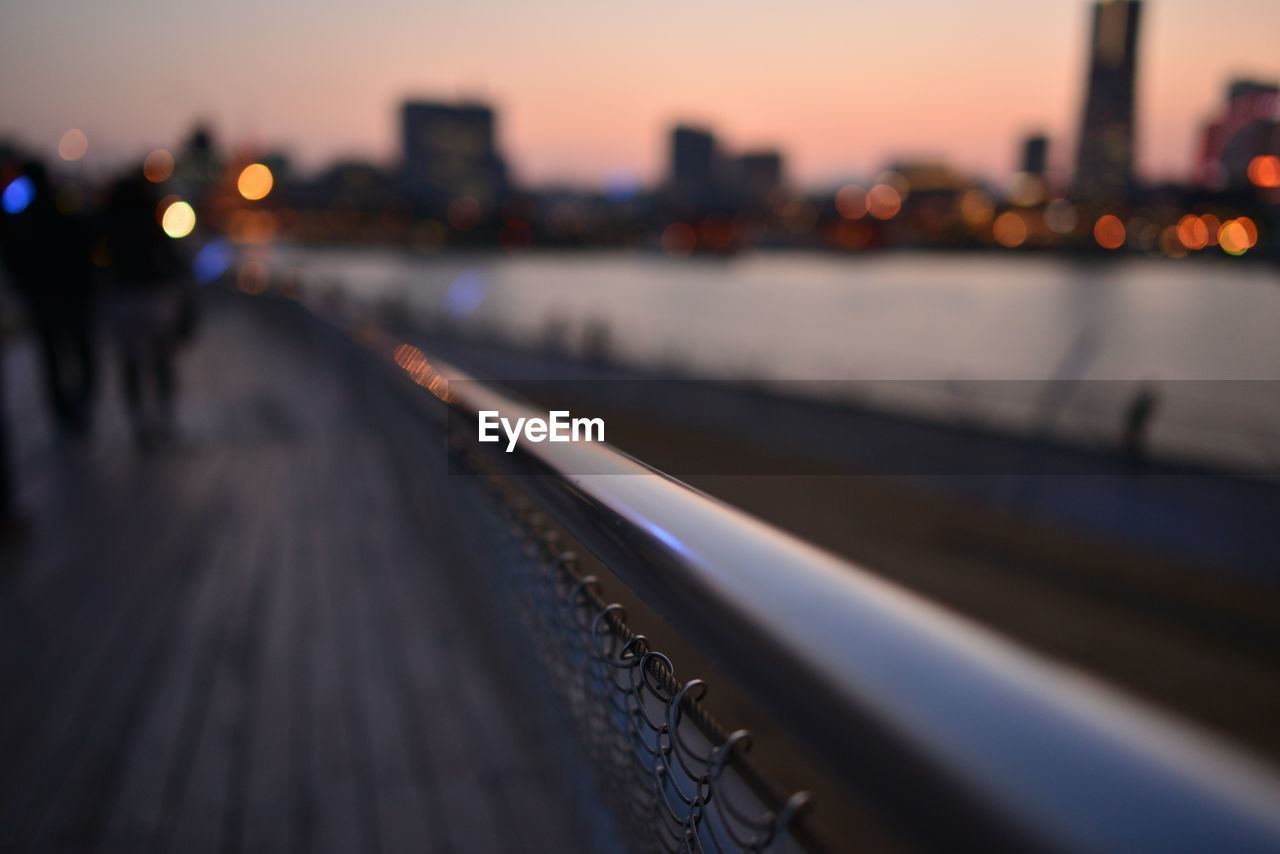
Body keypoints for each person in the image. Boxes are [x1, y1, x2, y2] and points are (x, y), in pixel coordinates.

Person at [0, 160, 97, 439]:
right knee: (79, 353)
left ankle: (65, 412)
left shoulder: (22, 215)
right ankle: (79, 406)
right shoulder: (64, 206)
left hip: (47, 299)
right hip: (71, 296)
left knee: (53, 358)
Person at [100, 173, 190, 449]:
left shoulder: (108, 224)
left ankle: (139, 421)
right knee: (162, 359)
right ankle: (165, 416)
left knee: (130, 363)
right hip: (153, 299)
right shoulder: (153, 221)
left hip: (122, 300)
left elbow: (100, 264)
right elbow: (172, 260)